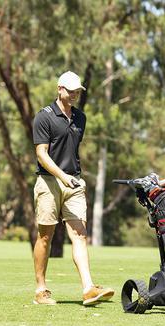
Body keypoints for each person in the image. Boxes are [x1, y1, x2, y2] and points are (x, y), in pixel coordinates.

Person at [32, 71, 115, 306]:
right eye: (70, 90)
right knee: (45, 237)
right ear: (59, 89)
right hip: (49, 182)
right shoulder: (44, 117)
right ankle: (41, 289)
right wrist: (62, 176)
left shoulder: (81, 118)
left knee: (80, 235)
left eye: (77, 90)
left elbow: (72, 151)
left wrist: (74, 178)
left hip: (74, 184)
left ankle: (88, 288)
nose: (74, 94)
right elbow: (41, 154)